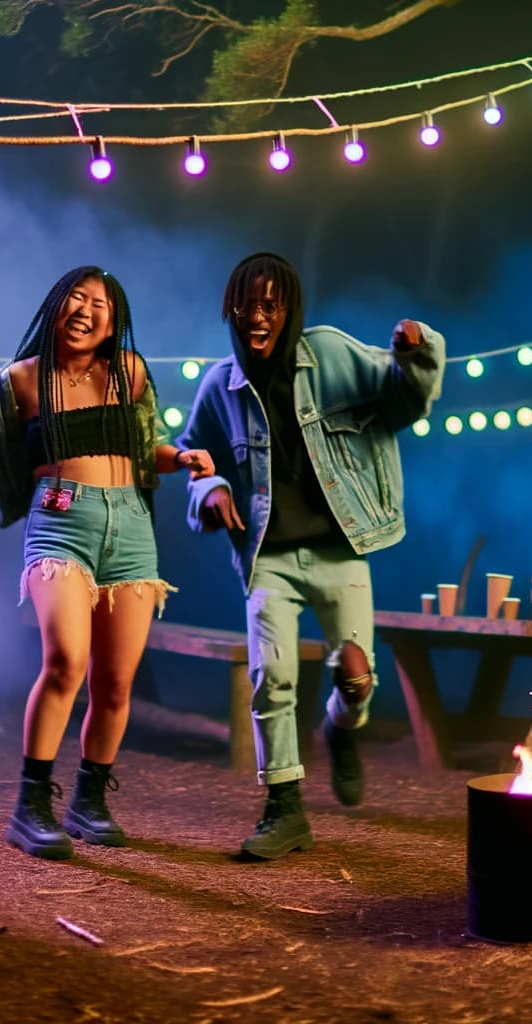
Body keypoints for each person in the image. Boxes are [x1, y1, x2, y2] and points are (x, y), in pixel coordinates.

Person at [176, 252, 444, 859]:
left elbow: (405, 402)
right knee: (273, 679)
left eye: (272, 304)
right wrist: (211, 490)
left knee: (356, 677)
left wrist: (415, 348)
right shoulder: (221, 385)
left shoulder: (331, 353)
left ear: (290, 309)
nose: (259, 316)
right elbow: (194, 455)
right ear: (233, 312)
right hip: (268, 556)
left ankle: (340, 728)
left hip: (341, 550)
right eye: (249, 305)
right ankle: (284, 808)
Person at [0, 266, 212, 859]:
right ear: (55, 306)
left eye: (100, 303)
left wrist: (181, 457)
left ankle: (90, 799)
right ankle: (31, 806)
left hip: (130, 528)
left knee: (117, 681)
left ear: (113, 321)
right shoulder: (18, 381)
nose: (86, 309)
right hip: (60, 525)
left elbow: (142, 446)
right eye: (76, 297)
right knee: (66, 663)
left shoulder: (129, 373)